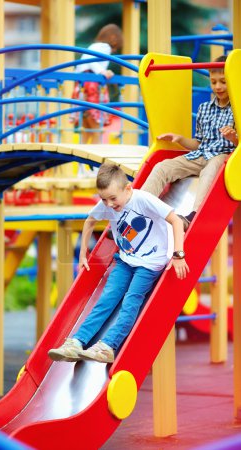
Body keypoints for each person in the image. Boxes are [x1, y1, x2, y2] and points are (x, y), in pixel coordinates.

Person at [48, 163, 189, 364]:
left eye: (113, 198)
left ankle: (108, 346)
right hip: (125, 260)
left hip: (150, 263)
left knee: (131, 301)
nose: (109, 204)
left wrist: (178, 255)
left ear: (128, 189)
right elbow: (90, 221)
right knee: (107, 298)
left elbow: (175, 220)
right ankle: (76, 342)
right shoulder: (107, 203)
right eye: (104, 199)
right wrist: (83, 254)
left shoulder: (143, 200)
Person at [141, 55, 239, 230]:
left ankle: (194, 215)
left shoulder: (237, 109)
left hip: (224, 158)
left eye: (223, 82)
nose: (218, 86)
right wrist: (180, 139)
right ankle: (139, 210)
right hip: (200, 155)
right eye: (214, 81)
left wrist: (234, 138)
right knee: (163, 167)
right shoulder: (204, 108)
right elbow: (198, 143)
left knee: (209, 171)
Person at [72, 23, 123, 144]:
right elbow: (92, 61)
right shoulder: (105, 47)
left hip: (81, 84)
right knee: (97, 127)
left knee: (86, 127)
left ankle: (81, 158)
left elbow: (83, 63)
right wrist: (102, 71)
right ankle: (95, 160)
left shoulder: (94, 45)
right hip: (92, 85)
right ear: (113, 37)